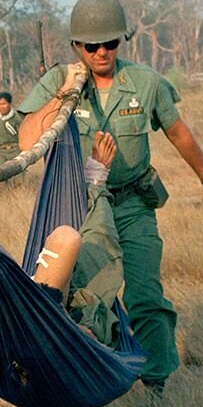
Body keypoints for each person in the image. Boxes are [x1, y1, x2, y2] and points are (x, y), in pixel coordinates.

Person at [18, 0, 203, 393]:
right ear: (77, 46)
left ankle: (156, 385)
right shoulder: (59, 82)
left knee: (147, 297)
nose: (101, 52)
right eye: (91, 45)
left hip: (132, 203)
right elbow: (29, 141)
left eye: (110, 43)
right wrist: (66, 90)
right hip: (79, 207)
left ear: (122, 40)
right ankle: (92, 379)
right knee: (86, 300)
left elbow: (178, 132)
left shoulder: (145, 83)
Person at [32, 131, 122, 346]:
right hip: (62, 319)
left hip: (63, 320)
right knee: (78, 238)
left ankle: (57, 318)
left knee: (72, 238)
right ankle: (57, 318)